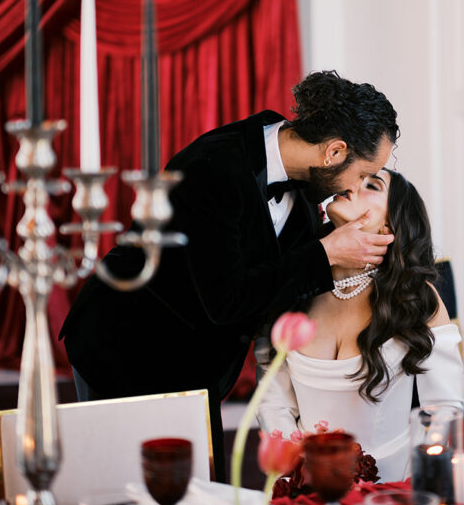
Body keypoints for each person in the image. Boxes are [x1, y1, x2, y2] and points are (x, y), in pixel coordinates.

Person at [60, 71, 399, 479]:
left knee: (202, 490)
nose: (356, 187)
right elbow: (227, 300)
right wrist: (326, 254)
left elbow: (278, 275)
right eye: (362, 174)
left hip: (197, 360)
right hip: (128, 344)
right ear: (334, 152)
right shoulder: (214, 169)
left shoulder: (299, 176)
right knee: (132, 489)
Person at [256, 169, 464, 482]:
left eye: (371, 185)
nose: (351, 183)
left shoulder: (414, 297)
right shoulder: (297, 287)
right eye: (355, 177)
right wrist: (297, 469)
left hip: (392, 488)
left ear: (388, 226)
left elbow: (445, 408)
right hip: (304, 485)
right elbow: (272, 401)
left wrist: (416, 483)